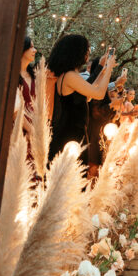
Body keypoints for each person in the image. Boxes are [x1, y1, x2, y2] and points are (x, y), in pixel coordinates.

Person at [47, 34, 116, 173]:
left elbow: (90, 92)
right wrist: (109, 69)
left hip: (74, 133)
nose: (88, 53)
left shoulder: (68, 75)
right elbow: (98, 93)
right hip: (70, 134)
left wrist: (102, 68)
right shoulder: (70, 76)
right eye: (86, 50)